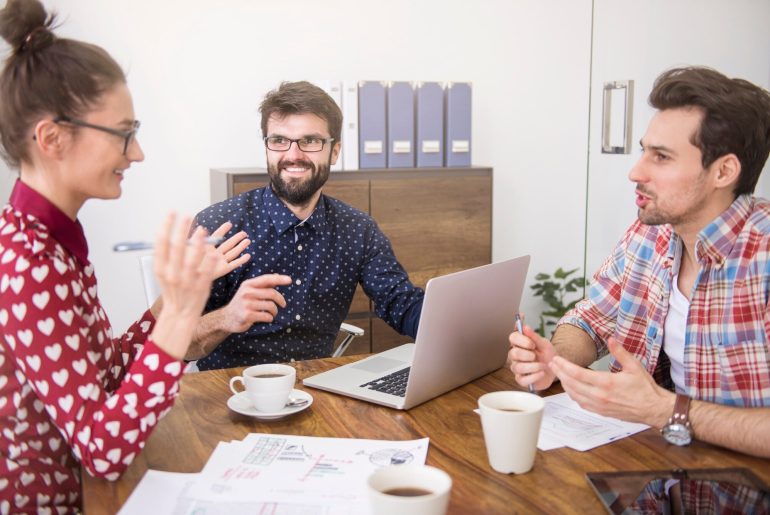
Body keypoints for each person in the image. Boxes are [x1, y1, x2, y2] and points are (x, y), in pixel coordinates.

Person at [0, 0, 244, 510]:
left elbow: (106, 373)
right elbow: (103, 450)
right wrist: (178, 315)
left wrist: (172, 301)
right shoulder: (28, 264)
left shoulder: (50, 242)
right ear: (52, 138)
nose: (137, 153)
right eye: (124, 133)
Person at [508, 66, 770, 458]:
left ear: (723, 171)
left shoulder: (762, 256)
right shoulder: (650, 233)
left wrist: (662, 410)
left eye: (661, 157)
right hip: (657, 462)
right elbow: (590, 320)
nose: (636, 171)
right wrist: (556, 360)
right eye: (643, 151)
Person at [190, 81, 425, 370]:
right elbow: (176, 344)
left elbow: (401, 303)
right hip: (231, 388)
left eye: (310, 141)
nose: (293, 155)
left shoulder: (358, 230)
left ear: (334, 151)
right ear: (267, 148)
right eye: (279, 140)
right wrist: (226, 318)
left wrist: (463, 327)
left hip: (317, 387)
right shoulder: (217, 226)